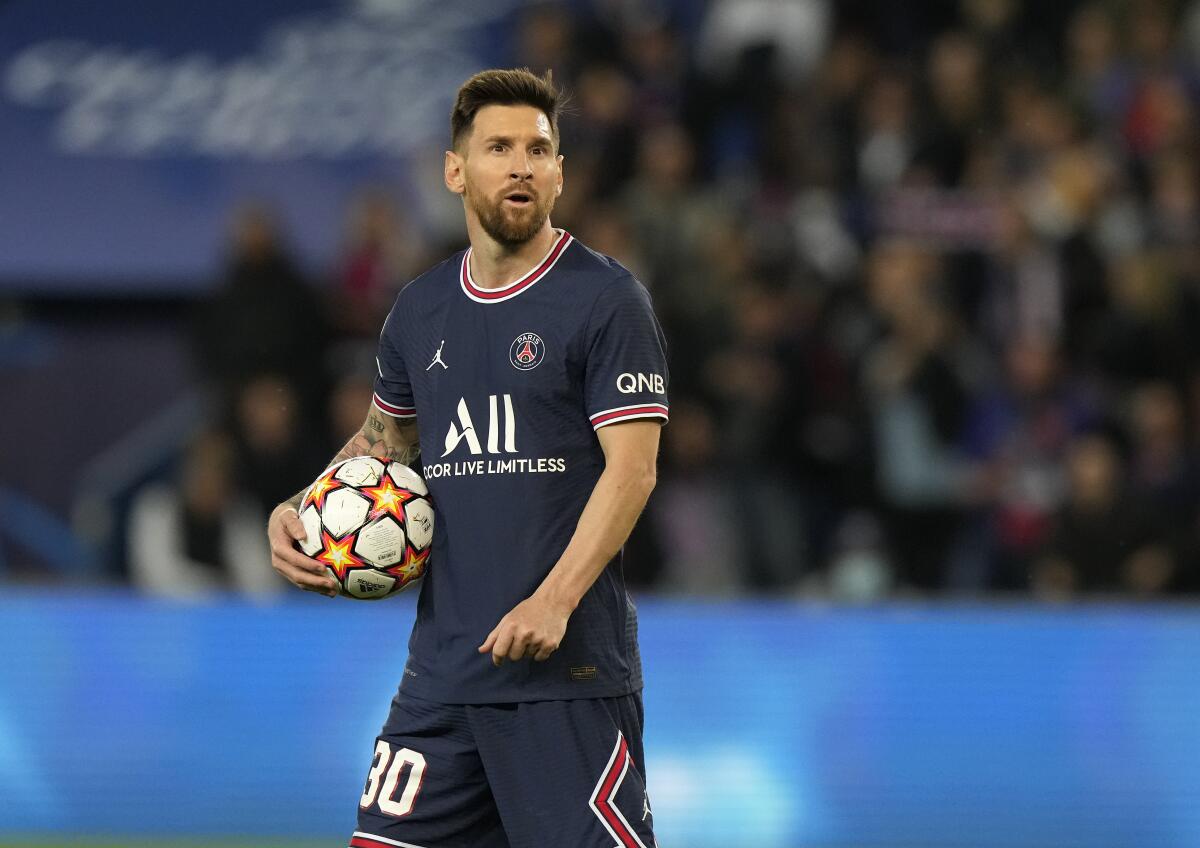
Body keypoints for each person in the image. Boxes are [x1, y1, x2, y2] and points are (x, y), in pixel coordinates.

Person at [266, 68, 667, 848]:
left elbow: (634, 470)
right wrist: (300, 505)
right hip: (442, 677)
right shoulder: (420, 310)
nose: (521, 164)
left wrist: (553, 601)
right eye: (499, 147)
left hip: (567, 683)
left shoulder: (607, 300)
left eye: (538, 149)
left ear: (558, 174)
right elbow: (383, 445)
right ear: (456, 170)